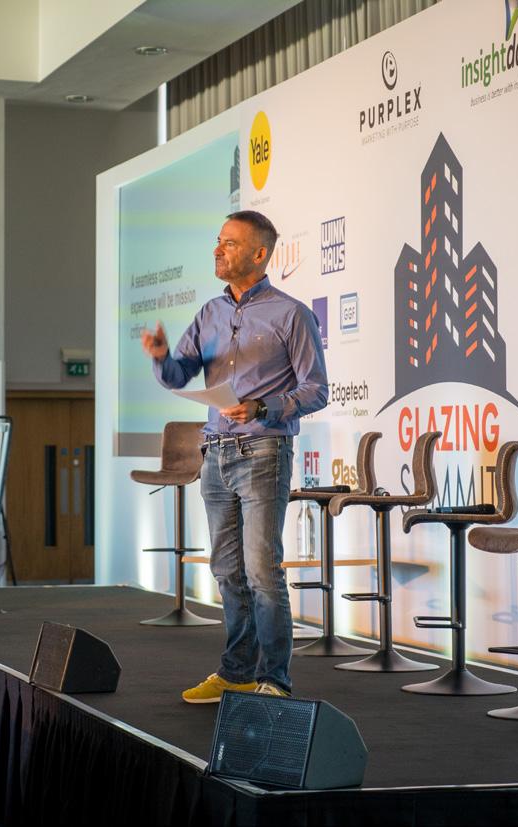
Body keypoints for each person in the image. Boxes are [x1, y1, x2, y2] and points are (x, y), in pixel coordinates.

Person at [141, 210, 328, 702]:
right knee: (226, 571)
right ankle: (237, 672)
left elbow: (316, 390)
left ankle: (275, 680)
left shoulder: (291, 314)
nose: (217, 250)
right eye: (218, 241)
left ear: (259, 254)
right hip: (215, 453)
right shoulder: (210, 313)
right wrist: (161, 357)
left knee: (262, 571)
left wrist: (264, 406)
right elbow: (179, 375)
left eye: (229, 243)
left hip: (263, 450)